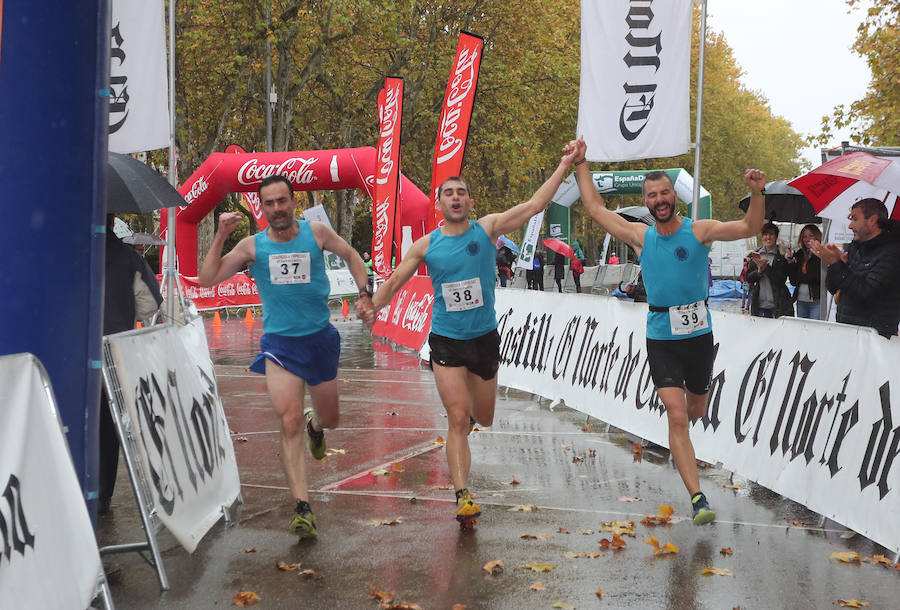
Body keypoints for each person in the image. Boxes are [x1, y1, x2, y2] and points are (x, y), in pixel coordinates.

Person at [364, 146, 580, 528]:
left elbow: (532, 206)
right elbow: (396, 280)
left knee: (484, 416)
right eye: (448, 193)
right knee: (458, 417)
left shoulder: (488, 228)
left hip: (484, 339)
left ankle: (469, 435)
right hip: (446, 340)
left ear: (470, 201)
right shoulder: (427, 245)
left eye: (461, 192)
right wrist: (373, 306)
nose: (455, 197)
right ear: (439, 203)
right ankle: (462, 494)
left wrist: (564, 163)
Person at [570, 136, 766, 525]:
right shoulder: (640, 237)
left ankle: (687, 444)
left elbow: (749, 226)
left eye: (664, 193)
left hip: (698, 338)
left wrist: (757, 192)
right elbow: (594, 207)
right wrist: (581, 162)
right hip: (661, 337)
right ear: (646, 201)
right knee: (676, 415)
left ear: (673, 196)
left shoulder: (699, 232)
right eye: (651, 195)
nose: (658, 200)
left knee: (695, 409)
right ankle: (698, 499)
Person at [198, 175, 372, 538]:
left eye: (282, 201)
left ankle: (317, 427)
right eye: (269, 203)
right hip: (280, 345)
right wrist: (219, 236)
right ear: (261, 209)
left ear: (294, 201)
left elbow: (353, 256)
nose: (276, 209)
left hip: (320, 340)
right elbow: (207, 278)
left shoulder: (318, 233)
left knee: (330, 417)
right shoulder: (252, 246)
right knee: (288, 421)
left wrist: (364, 292)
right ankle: (302, 507)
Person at [99, 214, 163, 514]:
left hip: (67, 354)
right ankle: (101, 494)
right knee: (107, 425)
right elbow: (149, 304)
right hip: (112, 354)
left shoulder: (63, 250)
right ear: (112, 222)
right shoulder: (128, 257)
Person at [811, 198, 900, 338]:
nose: (850, 226)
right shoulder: (855, 247)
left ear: (872, 220)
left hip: (874, 338)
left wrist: (837, 264)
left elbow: (867, 293)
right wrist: (836, 264)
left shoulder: (892, 252)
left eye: (855, 219)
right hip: (848, 332)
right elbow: (832, 287)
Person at [747, 222, 794, 318]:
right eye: (765, 234)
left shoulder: (781, 255)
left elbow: (781, 279)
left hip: (778, 304)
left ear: (776, 237)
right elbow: (749, 278)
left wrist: (766, 268)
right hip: (759, 304)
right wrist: (759, 271)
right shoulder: (756, 254)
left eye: (771, 234)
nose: (768, 237)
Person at [787, 224, 823, 319]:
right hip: (800, 300)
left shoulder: (821, 254)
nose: (807, 239)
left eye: (811, 235)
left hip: (816, 301)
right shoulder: (799, 254)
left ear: (817, 236)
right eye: (804, 237)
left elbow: (817, 277)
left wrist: (802, 277)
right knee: (802, 330)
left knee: (813, 329)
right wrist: (791, 262)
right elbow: (794, 281)